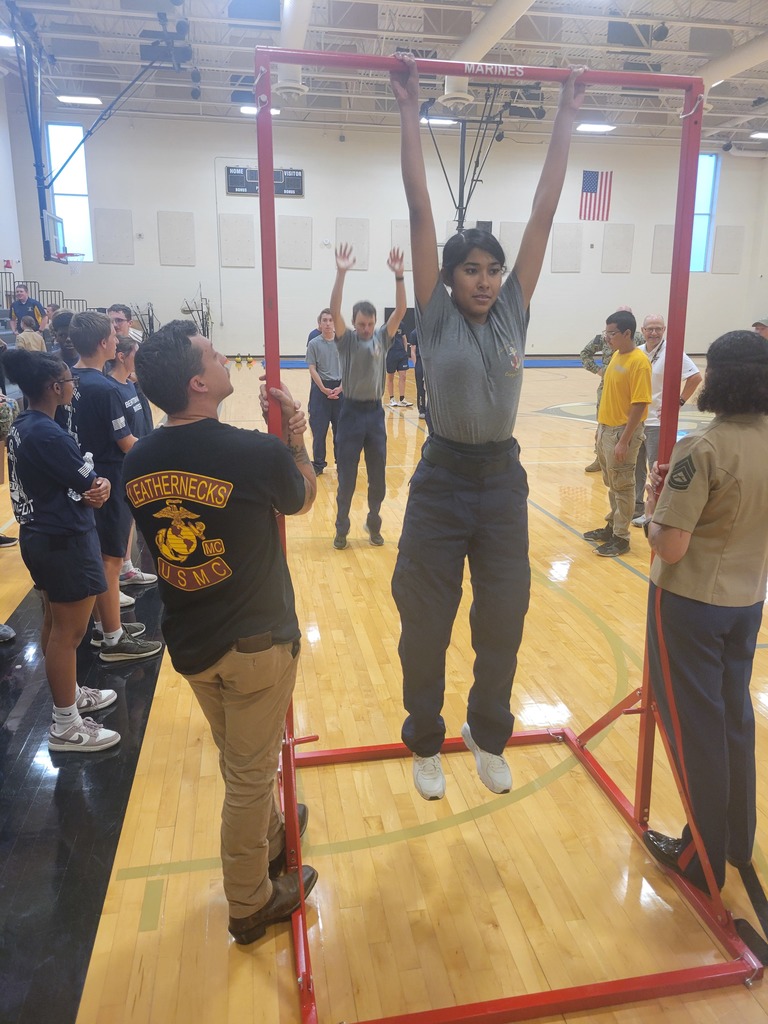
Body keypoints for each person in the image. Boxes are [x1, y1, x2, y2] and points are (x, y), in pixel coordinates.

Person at [389, 54, 584, 801]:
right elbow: (420, 210)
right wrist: (409, 110)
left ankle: (487, 732)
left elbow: (543, 213)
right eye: (471, 269)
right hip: (442, 482)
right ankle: (424, 739)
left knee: (504, 616)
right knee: (425, 621)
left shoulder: (513, 312)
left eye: (492, 270)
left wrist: (566, 115)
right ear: (449, 277)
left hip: (502, 482)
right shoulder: (435, 315)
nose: (483, 279)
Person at [124, 319, 318, 945]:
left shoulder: (138, 461)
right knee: (249, 777)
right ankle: (250, 903)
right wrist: (295, 437)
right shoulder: (251, 452)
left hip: (191, 642)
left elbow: (155, 550)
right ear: (198, 383)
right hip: (255, 644)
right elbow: (303, 497)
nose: (222, 355)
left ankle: (271, 837)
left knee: (242, 758)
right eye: (212, 353)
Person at [641, 331, 768, 894]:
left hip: (692, 605)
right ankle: (737, 838)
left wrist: (654, 508)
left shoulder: (704, 448)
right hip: (749, 599)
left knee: (696, 728)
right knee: (733, 718)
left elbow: (670, 546)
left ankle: (701, 854)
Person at [4, 348, 120, 752]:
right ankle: (66, 725)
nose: (74, 385)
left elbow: (75, 483)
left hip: (41, 538)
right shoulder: (49, 434)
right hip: (63, 541)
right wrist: (102, 486)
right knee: (69, 634)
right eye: (70, 381)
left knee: (55, 624)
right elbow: (90, 483)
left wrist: (95, 487)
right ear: (55, 387)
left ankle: (70, 695)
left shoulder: (24, 424)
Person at [56, 311, 161, 661]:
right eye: (114, 337)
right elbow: (125, 442)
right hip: (109, 477)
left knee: (103, 555)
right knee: (111, 560)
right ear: (104, 343)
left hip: (83, 473)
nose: (118, 340)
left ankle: (105, 626)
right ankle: (114, 639)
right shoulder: (105, 388)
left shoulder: (68, 380)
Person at [330, 243, 406, 549]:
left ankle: (374, 522)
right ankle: (341, 528)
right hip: (350, 414)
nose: (366, 328)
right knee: (346, 479)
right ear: (353, 323)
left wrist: (399, 276)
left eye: (370, 324)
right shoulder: (346, 340)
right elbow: (334, 308)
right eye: (361, 324)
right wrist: (341, 272)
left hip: (374, 414)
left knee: (378, 477)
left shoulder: (382, 338)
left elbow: (401, 311)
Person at [582, 310, 651, 558]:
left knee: (623, 485)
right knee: (612, 483)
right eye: (606, 333)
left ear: (627, 333)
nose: (607, 338)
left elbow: (640, 404)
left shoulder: (638, 362)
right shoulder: (615, 357)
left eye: (612, 333)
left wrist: (624, 440)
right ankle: (612, 526)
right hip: (606, 430)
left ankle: (621, 537)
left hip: (622, 433)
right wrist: (600, 429)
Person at [631, 313, 702, 527]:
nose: (654, 333)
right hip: (637, 420)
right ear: (642, 331)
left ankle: (655, 510)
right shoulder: (638, 352)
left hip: (657, 423)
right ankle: (637, 507)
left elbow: (695, 377)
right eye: (650, 329)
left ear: (664, 330)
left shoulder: (672, 352)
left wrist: (677, 403)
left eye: (658, 328)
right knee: (636, 467)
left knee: (657, 468)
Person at [108, 335, 158, 589]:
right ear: (121, 356)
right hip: (120, 463)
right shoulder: (111, 389)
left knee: (128, 518)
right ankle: (114, 578)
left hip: (134, 459)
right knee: (118, 523)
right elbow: (123, 438)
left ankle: (126, 568)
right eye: (135, 355)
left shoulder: (129, 384)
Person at [580, 305, 640, 473]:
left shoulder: (638, 339)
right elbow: (585, 353)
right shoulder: (604, 337)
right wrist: (599, 371)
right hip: (607, 385)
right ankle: (600, 458)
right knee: (602, 422)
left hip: (628, 385)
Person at [306, 308, 343, 475]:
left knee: (341, 431)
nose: (328, 323)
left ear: (335, 323)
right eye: (324, 320)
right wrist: (322, 388)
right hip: (320, 390)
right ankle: (319, 463)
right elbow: (312, 368)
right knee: (319, 430)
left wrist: (341, 387)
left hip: (340, 389)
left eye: (330, 320)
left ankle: (341, 462)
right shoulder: (314, 343)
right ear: (319, 324)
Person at [386, 326, 412, 408]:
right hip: (391, 355)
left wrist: (405, 351)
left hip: (401, 354)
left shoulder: (402, 325)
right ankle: (392, 398)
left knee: (403, 376)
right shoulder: (387, 326)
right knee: (390, 377)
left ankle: (402, 399)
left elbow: (404, 338)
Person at [409, 328, 427, 420]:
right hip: (420, 361)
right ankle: (422, 409)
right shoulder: (414, 333)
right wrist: (416, 364)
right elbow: (413, 350)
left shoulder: (431, 331)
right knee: (420, 387)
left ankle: (432, 410)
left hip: (430, 361)